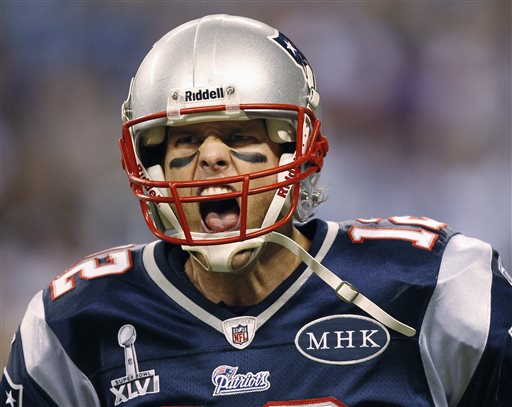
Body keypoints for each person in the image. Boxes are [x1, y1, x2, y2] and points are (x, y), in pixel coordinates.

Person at [1, 14, 510, 407]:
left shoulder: (431, 285)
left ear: (297, 151)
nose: (213, 158)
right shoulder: (75, 322)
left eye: (241, 135)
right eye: (185, 141)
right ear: (151, 166)